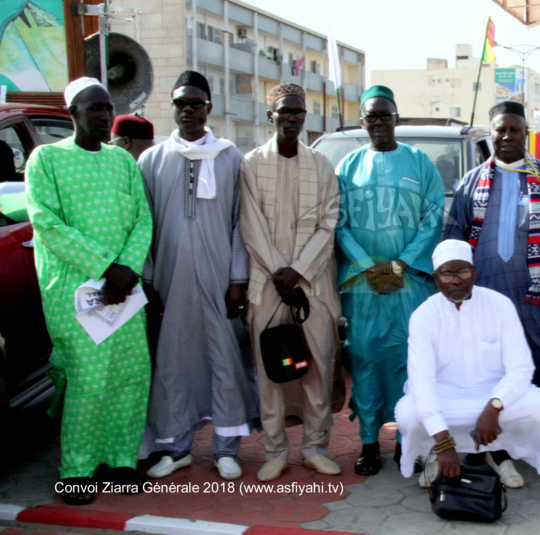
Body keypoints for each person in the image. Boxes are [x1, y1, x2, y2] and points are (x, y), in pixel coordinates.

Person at [25, 77, 152, 505]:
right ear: (72, 114)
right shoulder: (46, 159)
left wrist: (128, 269)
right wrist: (105, 268)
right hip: (75, 292)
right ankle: (77, 471)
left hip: (124, 291)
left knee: (131, 375)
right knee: (88, 379)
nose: (102, 115)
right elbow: (46, 223)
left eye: (106, 107)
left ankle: (119, 462)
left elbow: (142, 221)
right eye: (92, 108)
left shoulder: (122, 162)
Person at [445, 100, 540, 471]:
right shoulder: (471, 181)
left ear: (527, 134)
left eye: (515, 130)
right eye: (500, 130)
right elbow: (454, 238)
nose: (507, 136)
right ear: (491, 134)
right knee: (491, 368)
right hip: (487, 292)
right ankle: (498, 442)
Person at [138, 71, 256, 481]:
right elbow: (143, 227)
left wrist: (238, 279)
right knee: (173, 362)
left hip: (219, 280)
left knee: (225, 359)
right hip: (170, 282)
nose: (187, 110)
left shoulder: (231, 158)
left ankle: (226, 448)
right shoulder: (151, 160)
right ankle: (176, 446)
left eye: (195, 103)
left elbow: (242, 223)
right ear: (172, 109)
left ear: (209, 107)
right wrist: (148, 281)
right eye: (180, 103)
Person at [336, 85, 445, 475]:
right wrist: (371, 267)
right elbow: (339, 224)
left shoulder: (419, 163)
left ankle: (405, 442)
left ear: (397, 118)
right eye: (371, 116)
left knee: (408, 362)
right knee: (365, 361)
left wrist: (400, 265)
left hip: (410, 284)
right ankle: (368, 443)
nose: (379, 122)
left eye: (385, 114)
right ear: (363, 122)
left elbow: (433, 218)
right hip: (365, 287)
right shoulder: (347, 167)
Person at [240, 83, 342, 482]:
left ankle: (315, 448)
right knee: (271, 371)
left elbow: (328, 223)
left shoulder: (320, 165)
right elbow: (251, 225)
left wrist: (298, 271)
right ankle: (274, 451)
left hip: (313, 286)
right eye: (285, 112)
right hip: (267, 287)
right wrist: (280, 275)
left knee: (318, 364)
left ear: (305, 118)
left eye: (298, 113)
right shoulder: (250, 163)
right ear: (271, 116)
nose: (292, 118)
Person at [395, 239, 540, 488]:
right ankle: (438, 451)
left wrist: (494, 407)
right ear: (436, 278)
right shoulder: (424, 316)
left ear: (474, 272)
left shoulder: (499, 305)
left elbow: (521, 367)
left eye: (463, 271)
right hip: (444, 395)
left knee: (538, 405)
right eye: (447, 274)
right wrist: (445, 443)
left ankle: (498, 452)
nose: (456, 280)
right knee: (408, 413)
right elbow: (421, 382)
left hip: (494, 395)